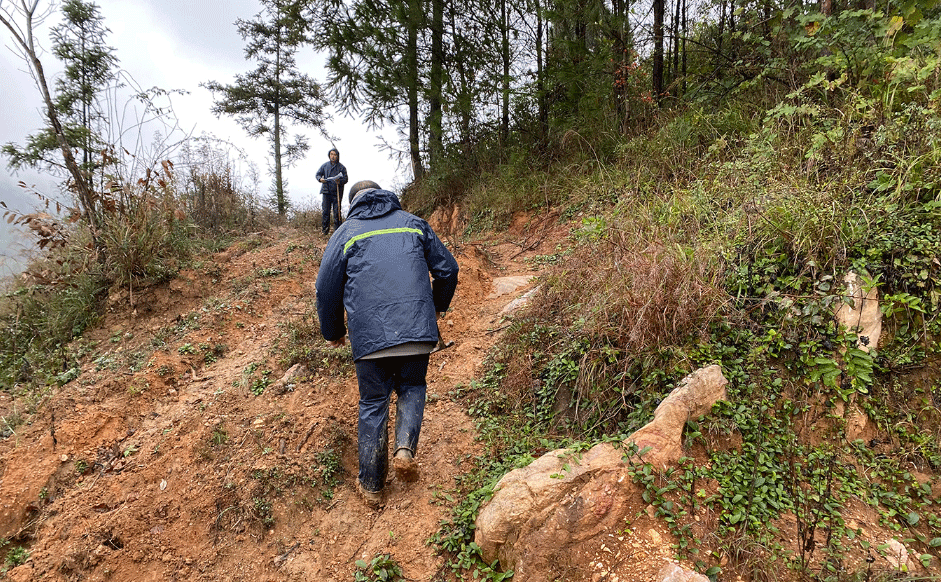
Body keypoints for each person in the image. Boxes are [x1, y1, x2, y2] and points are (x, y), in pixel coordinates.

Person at [316, 180, 459, 509]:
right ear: (384, 196)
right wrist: (434, 307)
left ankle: (372, 486)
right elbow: (448, 269)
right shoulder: (413, 223)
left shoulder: (346, 232)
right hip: (417, 331)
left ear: (353, 201)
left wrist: (333, 332)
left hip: (370, 339)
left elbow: (325, 289)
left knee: (373, 402)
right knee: (412, 386)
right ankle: (405, 449)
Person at [315, 147, 348, 235]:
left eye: (335, 155)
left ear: (338, 156)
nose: (333, 156)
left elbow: (346, 179)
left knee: (337, 212)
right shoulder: (325, 166)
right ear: (329, 155)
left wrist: (339, 181)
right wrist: (320, 179)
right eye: (331, 154)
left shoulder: (342, 167)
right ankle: (325, 231)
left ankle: (337, 232)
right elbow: (318, 174)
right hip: (326, 191)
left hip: (337, 192)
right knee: (325, 211)